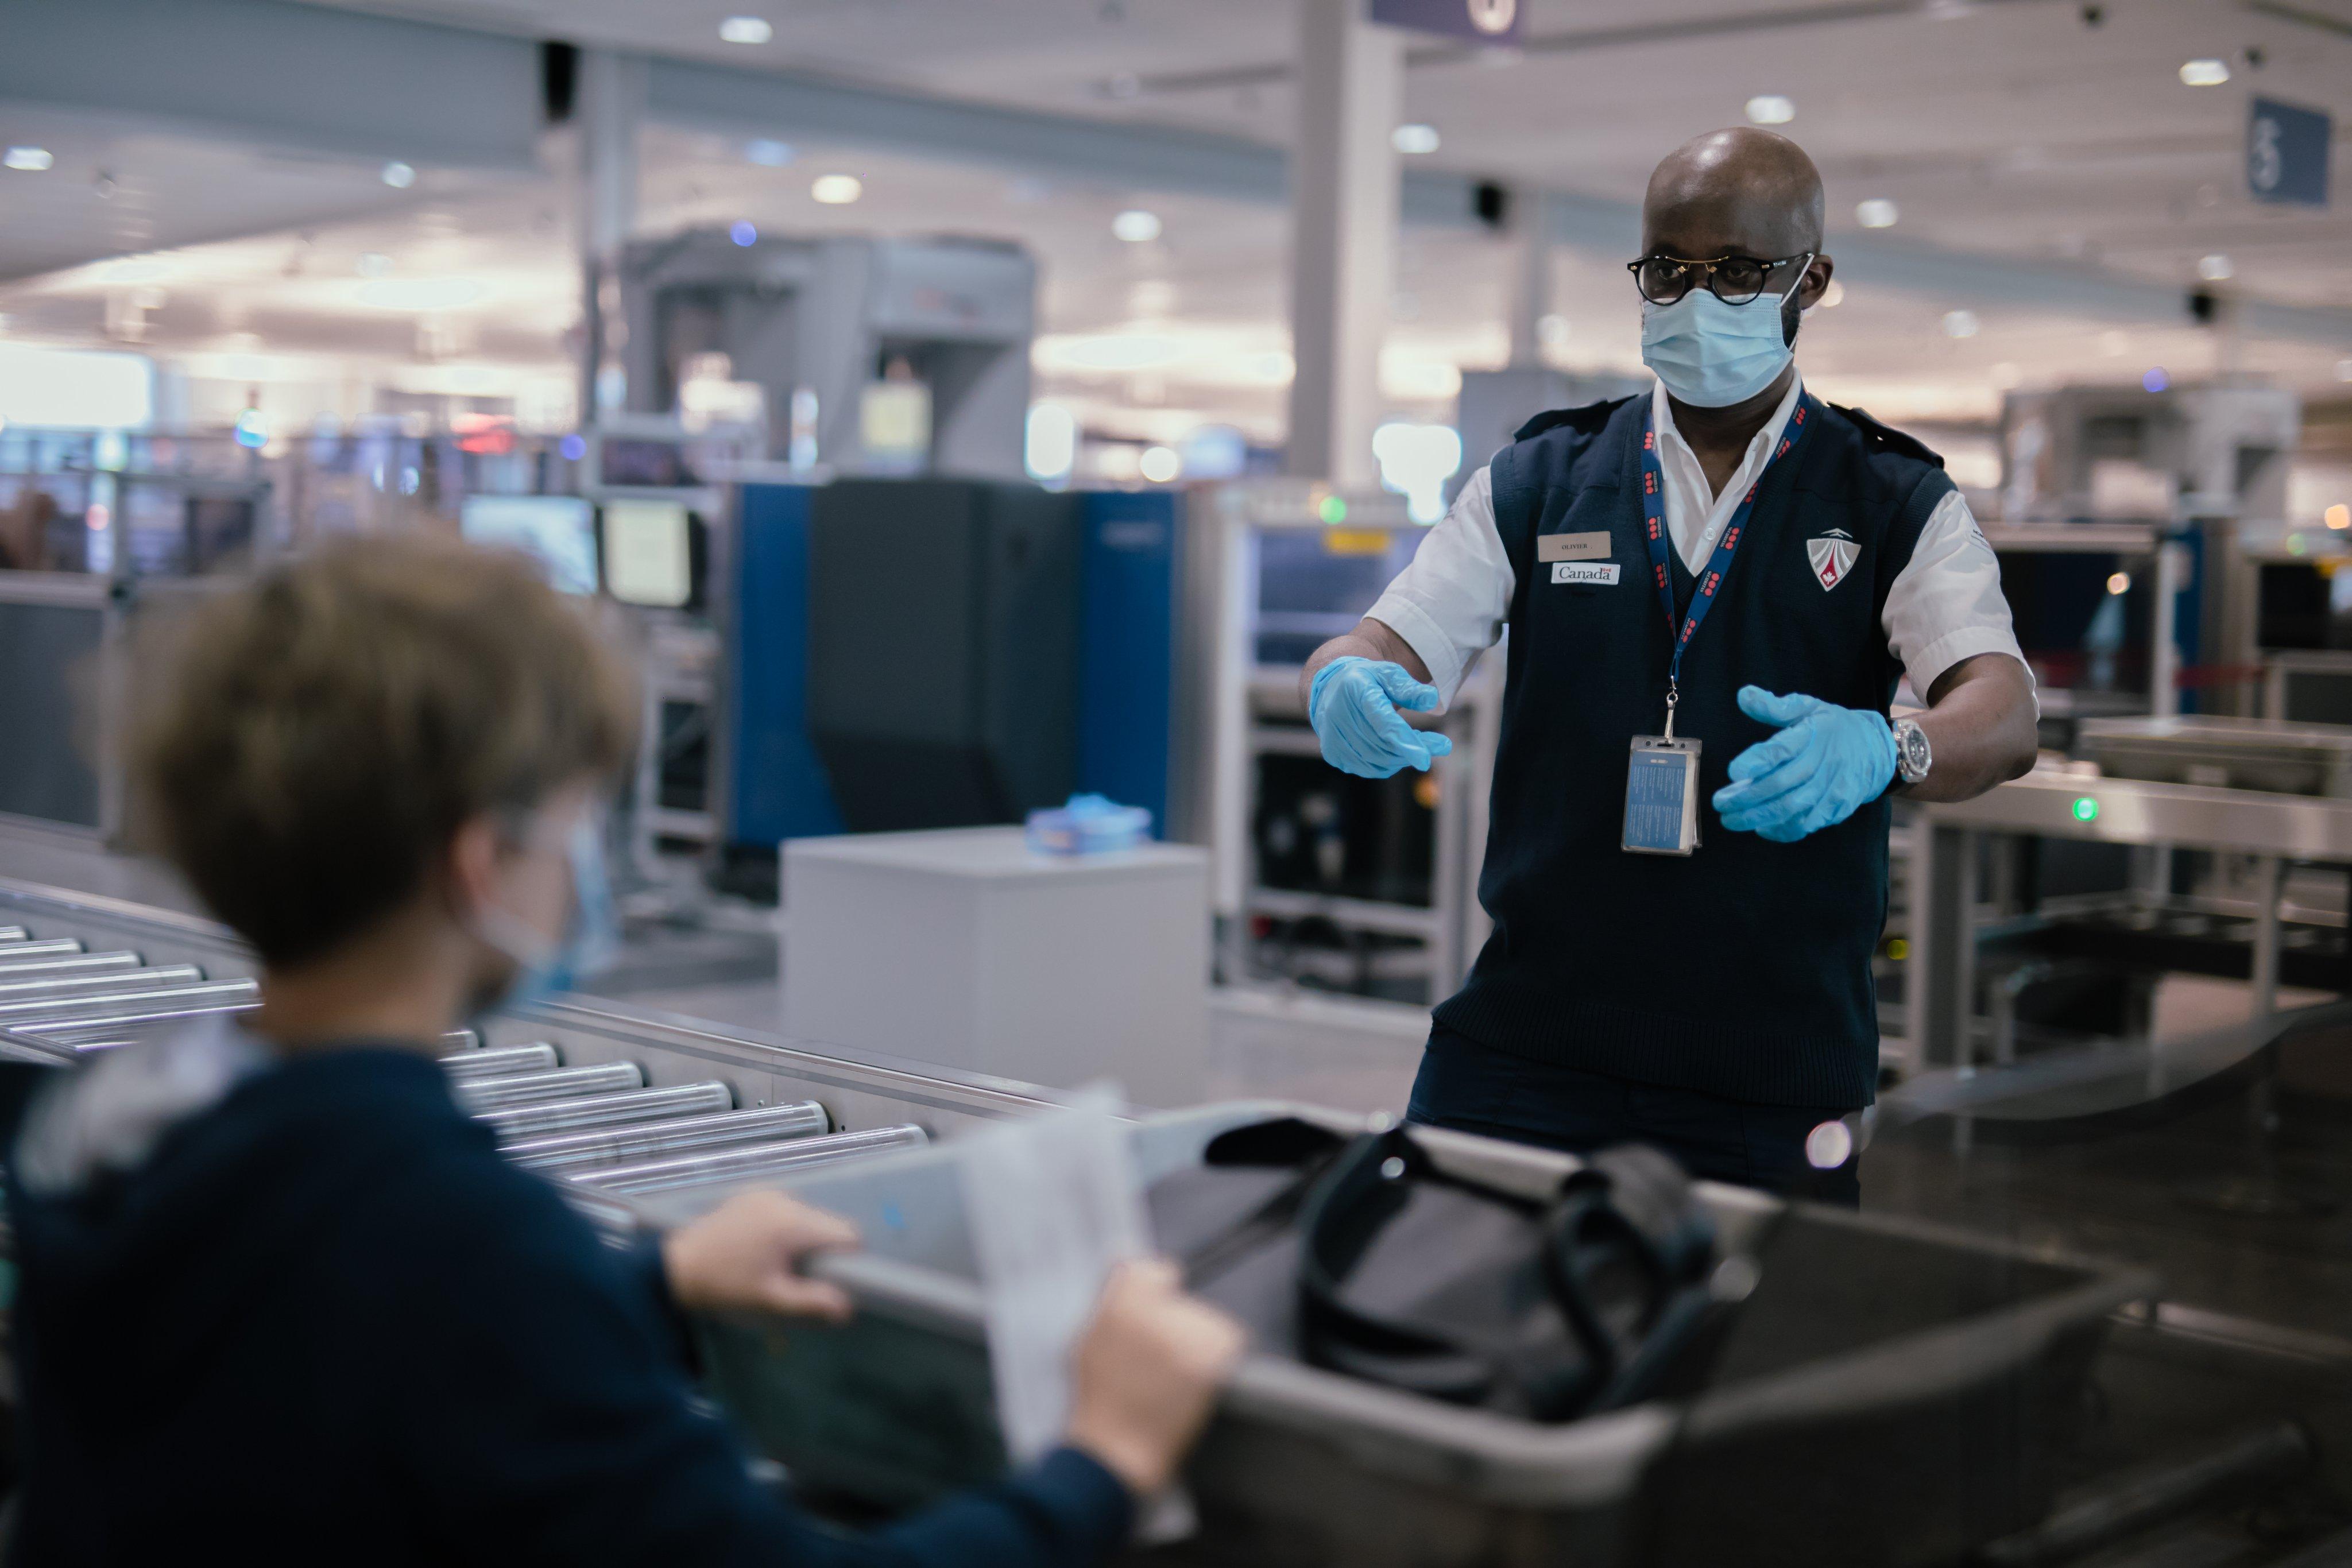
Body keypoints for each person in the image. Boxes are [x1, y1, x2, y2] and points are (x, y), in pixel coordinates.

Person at [3, 535, 1243, 1565]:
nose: (585, 861)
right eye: (571, 821)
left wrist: (648, 1289)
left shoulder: (111, 1113)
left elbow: (327, 1372)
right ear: (480, 864)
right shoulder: (455, 1233)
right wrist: (1102, 1459)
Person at [1302, 128, 2038, 1203]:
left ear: (1810, 280)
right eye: (1669, 271)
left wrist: (1891, 743)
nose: (1698, 300)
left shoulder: (1889, 500)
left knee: (1726, 1366)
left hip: (1768, 1072)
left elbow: (2006, 711)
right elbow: (1389, 638)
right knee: (1436, 1331)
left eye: (1739, 272)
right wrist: (1345, 677)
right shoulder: (1546, 477)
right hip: (1524, 1044)